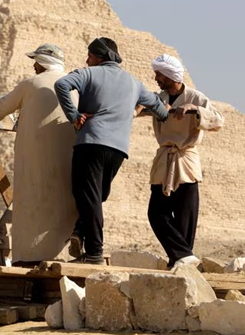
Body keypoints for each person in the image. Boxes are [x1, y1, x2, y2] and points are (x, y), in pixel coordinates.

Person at [54, 37, 169, 264]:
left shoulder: (89, 73)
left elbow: (61, 85)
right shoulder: (133, 82)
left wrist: (74, 117)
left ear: (99, 56)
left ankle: (94, 252)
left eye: (89, 55)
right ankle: (79, 231)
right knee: (98, 195)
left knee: (87, 196)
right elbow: (158, 108)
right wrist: (159, 112)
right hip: (118, 149)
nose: (87, 60)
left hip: (91, 142)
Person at [0, 44, 77, 265]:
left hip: (35, 162)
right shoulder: (76, 87)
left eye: (36, 62)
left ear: (43, 63)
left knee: (33, 210)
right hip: (71, 161)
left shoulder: (31, 84)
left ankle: (30, 258)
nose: (34, 66)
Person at [143, 54, 224, 268]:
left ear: (171, 75)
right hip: (164, 160)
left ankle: (179, 262)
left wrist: (195, 110)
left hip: (186, 160)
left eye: (159, 75)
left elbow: (218, 121)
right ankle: (184, 256)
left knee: (185, 218)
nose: (156, 78)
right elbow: (139, 109)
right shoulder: (158, 98)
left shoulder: (196, 97)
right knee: (156, 213)